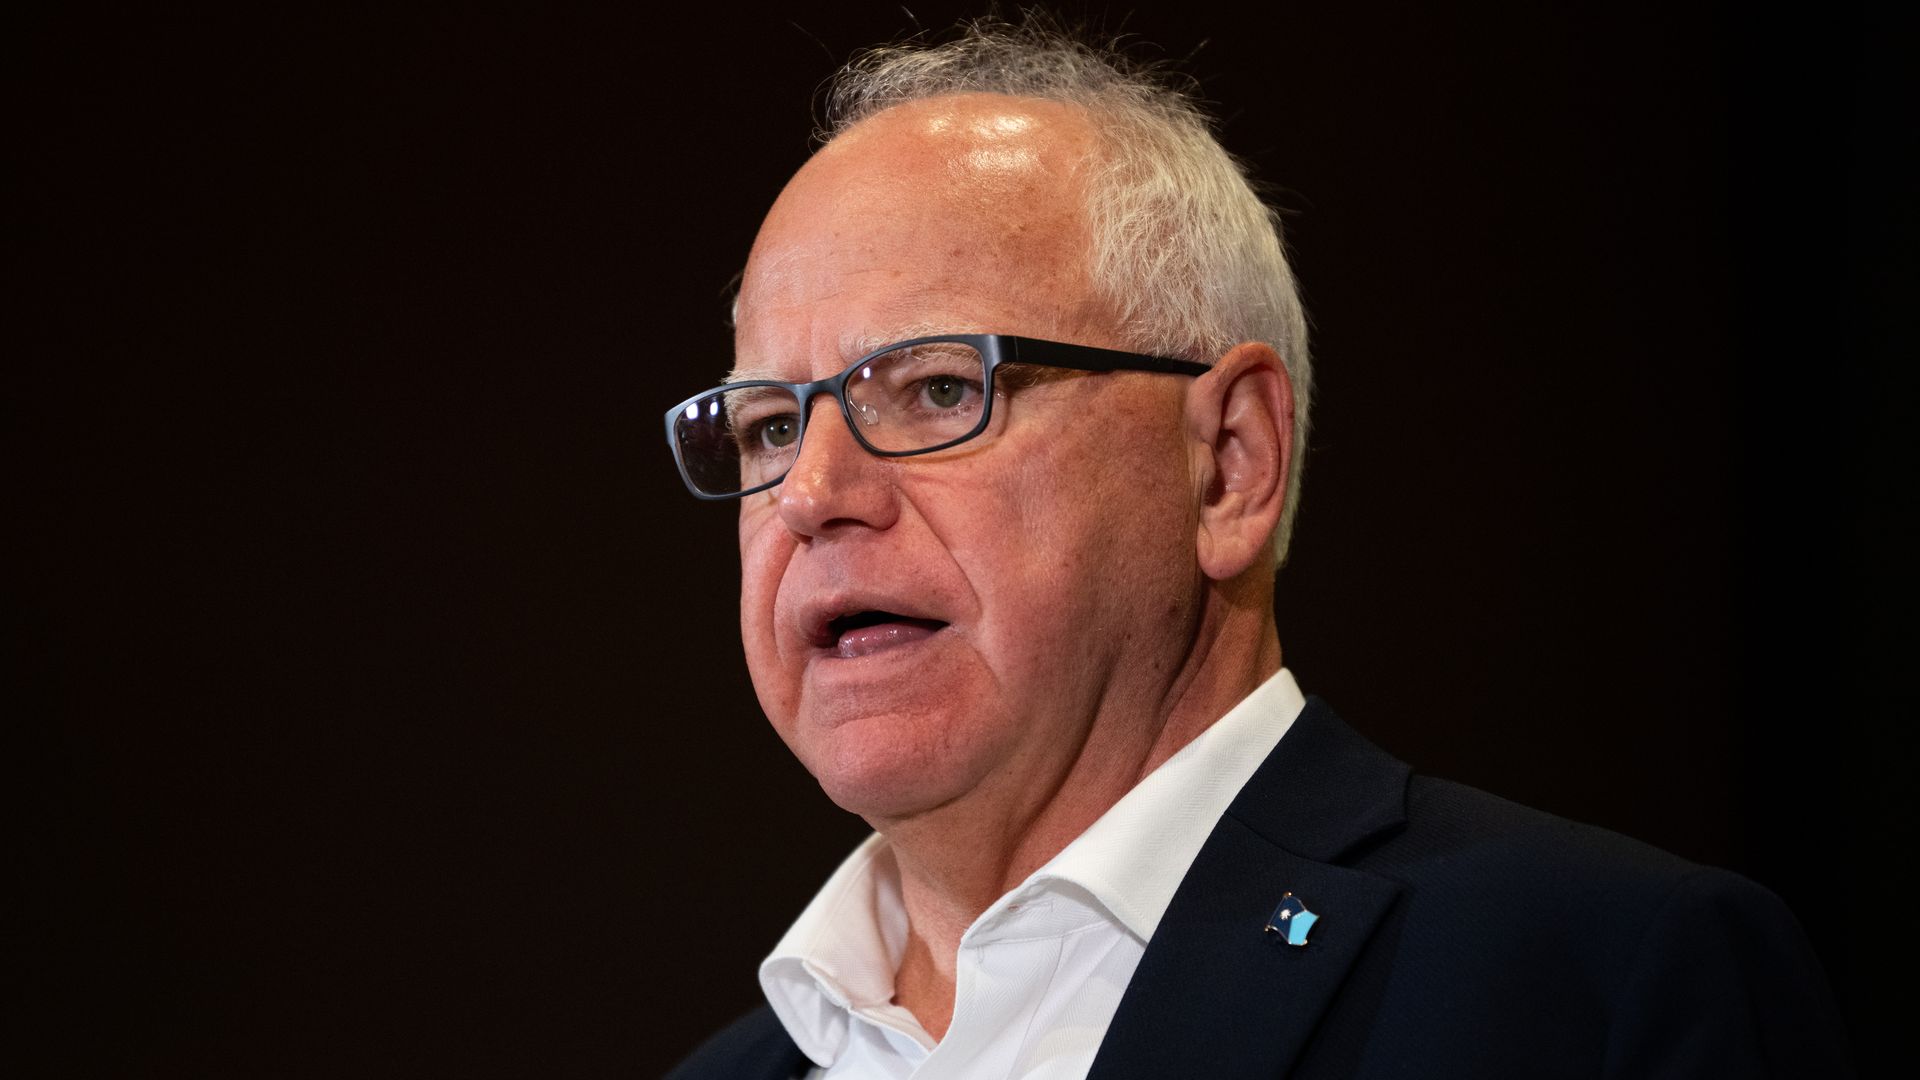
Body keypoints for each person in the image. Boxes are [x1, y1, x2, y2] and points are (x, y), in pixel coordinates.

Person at [662, 19, 1849, 1080]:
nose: (812, 492)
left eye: (931, 391)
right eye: (769, 424)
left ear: (1229, 462)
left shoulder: (1592, 987)